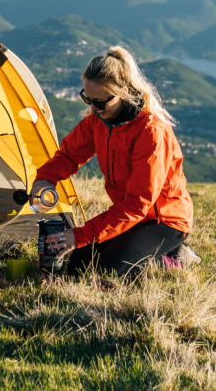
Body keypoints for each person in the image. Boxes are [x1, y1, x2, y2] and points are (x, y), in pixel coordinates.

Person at [31, 46, 195, 276]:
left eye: (100, 102)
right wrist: (46, 179)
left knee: (108, 272)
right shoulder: (98, 119)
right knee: (78, 266)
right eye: (87, 98)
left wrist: (79, 236)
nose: (93, 108)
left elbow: (138, 203)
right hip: (130, 217)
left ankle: (176, 256)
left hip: (163, 220)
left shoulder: (151, 132)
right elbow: (69, 155)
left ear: (123, 92)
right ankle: (146, 250)